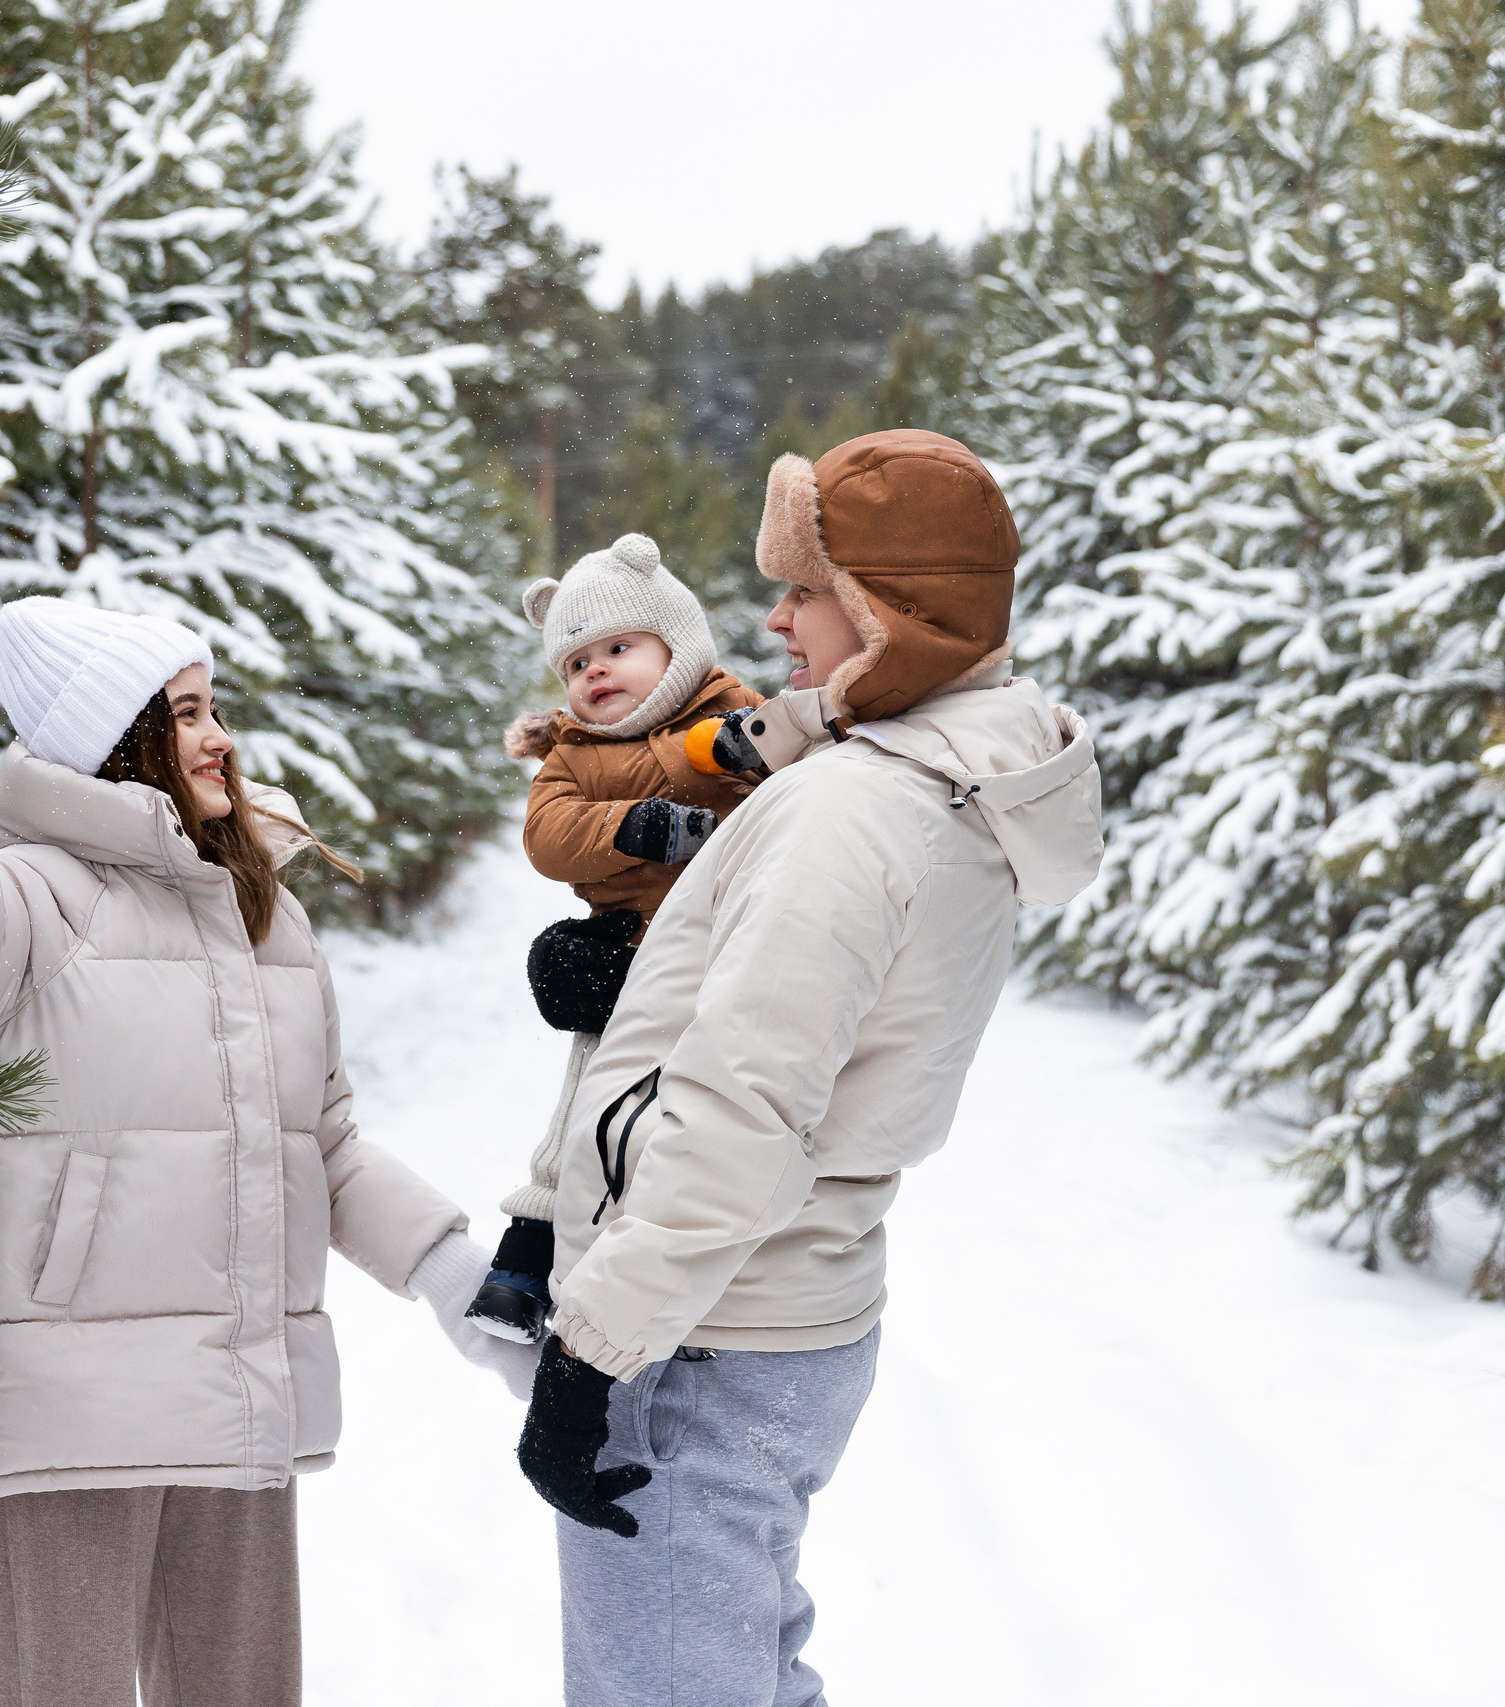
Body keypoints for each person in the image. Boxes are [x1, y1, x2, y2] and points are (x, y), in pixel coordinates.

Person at [0, 582, 530, 1707]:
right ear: (120, 738)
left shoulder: (263, 916)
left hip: (240, 1390)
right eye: (187, 712)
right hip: (76, 1404)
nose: (220, 736)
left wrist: (452, 1275)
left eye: (215, 707)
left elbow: (322, 1145)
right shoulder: (29, 905)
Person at [514, 430, 1106, 1706]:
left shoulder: (849, 810)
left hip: (699, 1332)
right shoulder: (929, 781)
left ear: (892, 611)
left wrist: (592, 1354)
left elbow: (744, 1110)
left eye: (805, 591)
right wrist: (645, 972)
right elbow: (822, 1021)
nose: (775, 620)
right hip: (775, 1307)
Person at [472, 533, 766, 1342]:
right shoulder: (571, 756)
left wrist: (721, 751)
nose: (595, 671)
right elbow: (548, 837)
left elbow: (790, 777)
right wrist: (634, 826)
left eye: (618, 648)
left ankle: (682, 1272)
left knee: (697, 1123)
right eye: (576, 662)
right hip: (627, 959)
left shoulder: (733, 716)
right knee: (585, 1103)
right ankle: (526, 1256)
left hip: (727, 956)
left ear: (677, 642)